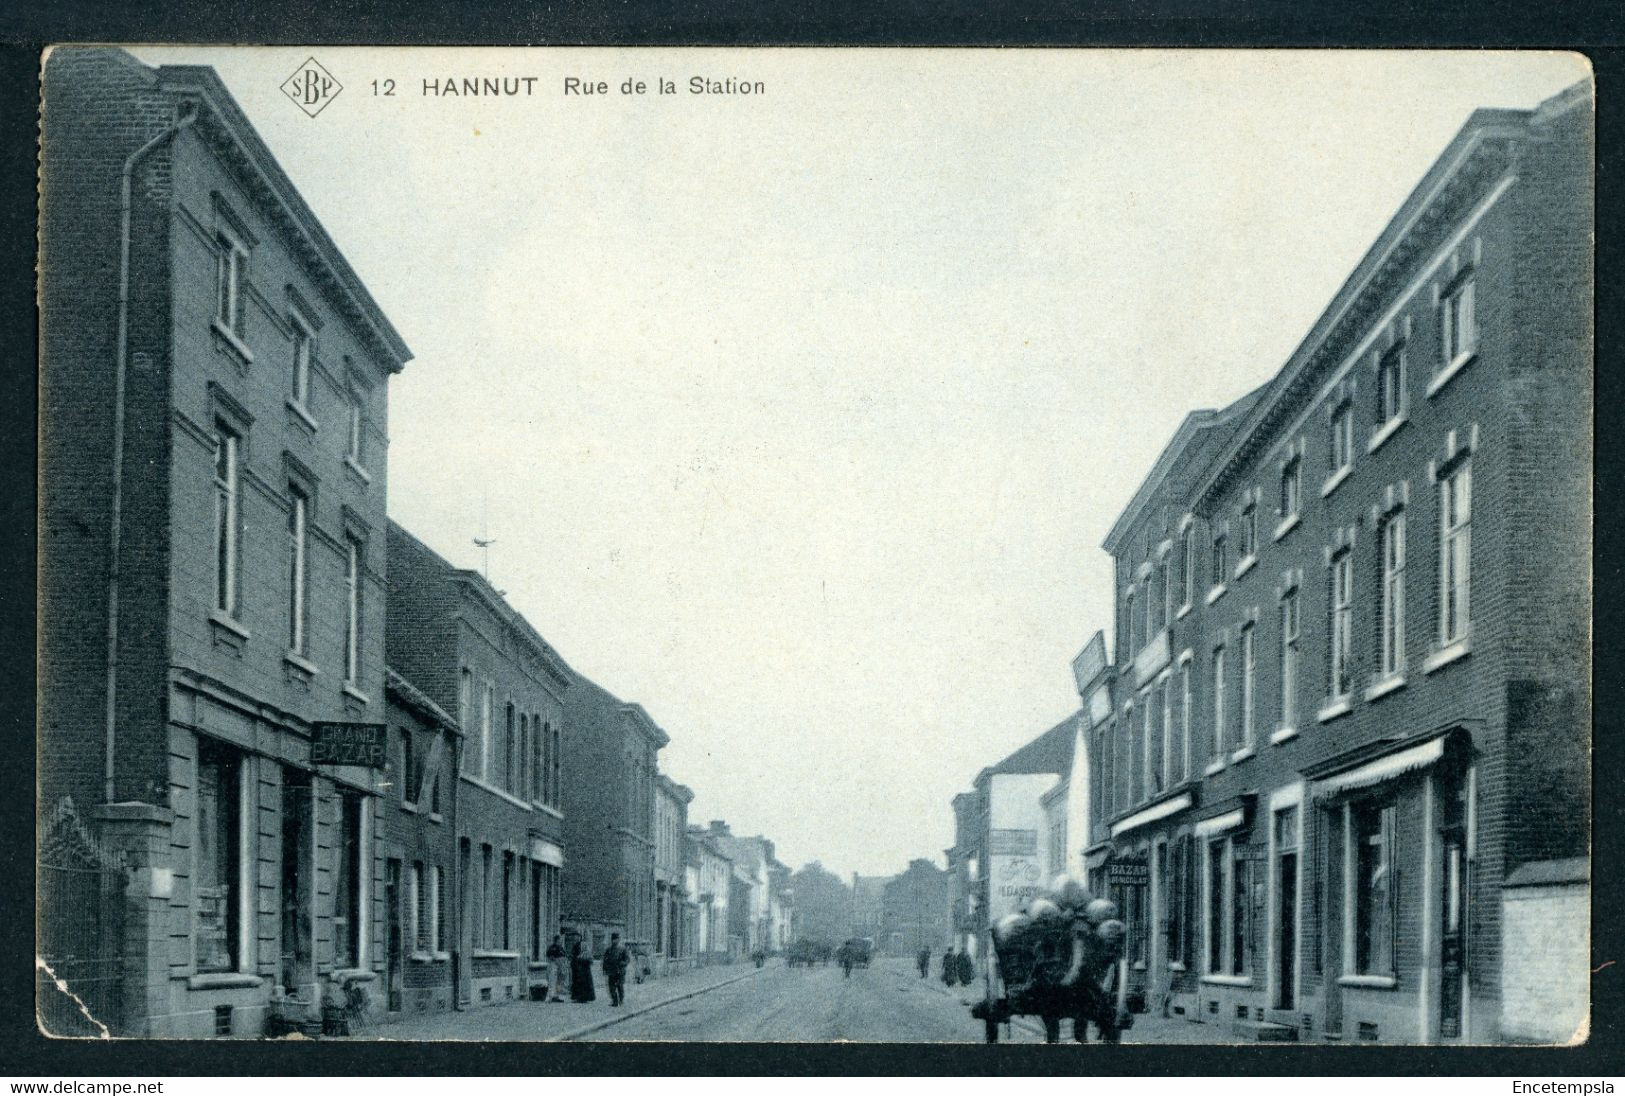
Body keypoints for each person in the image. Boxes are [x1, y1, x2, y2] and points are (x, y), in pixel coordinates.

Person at [602, 932, 631, 1007]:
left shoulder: (623, 949)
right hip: (611, 971)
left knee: (620, 986)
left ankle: (621, 1000)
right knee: (611, 987)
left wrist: (622, 963)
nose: (615, 941)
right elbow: (605, 960)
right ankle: (614, 1001)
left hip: (620, 971)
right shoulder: (609, 950)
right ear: (612, 940)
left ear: (618, 940)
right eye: (613, 939)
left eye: (616, 939)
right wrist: (604, 969)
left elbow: (627, 960)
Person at [545, 935, 567, 1002]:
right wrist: (556, 960)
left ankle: (557, 996)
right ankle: (550, 997)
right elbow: (550, 956)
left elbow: (564, 955)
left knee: (559, 982)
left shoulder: (561, 948)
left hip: (561, 966)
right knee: (552, 981)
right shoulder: (552, 947)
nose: (561, 941)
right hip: (554, 965)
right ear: (557, 940)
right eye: (560, 940)